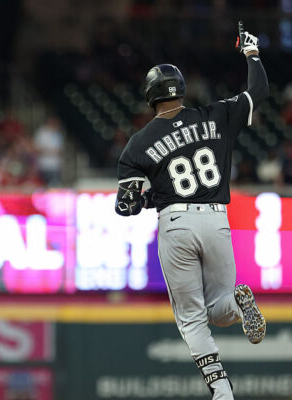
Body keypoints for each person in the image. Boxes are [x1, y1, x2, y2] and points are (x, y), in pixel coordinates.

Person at [114, 23, 268, 400]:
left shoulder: (139, 143)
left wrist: (148, 197)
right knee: (221, 307)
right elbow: (258, 93)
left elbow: (126, 205)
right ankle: (238, 300)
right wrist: (252, 53)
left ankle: (220, 391)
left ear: (150, 96)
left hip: (176, 221)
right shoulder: (215, 115)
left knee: (194, 317)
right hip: (216, 218)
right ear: (181, 90)